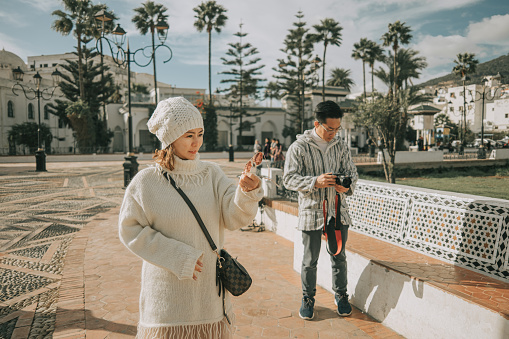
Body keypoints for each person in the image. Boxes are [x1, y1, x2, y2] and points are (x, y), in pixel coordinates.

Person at [118, 97, 263, 338]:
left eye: (200, 133)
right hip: (167, 297)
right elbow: (129, 230)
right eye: (188, 135)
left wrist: (246, 193)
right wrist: (177, 255)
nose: (197, 142)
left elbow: (235, 217)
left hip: (209, 297)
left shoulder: (212, 174)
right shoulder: (145, 182)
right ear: (169, 137)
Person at [283, 100, 358, 320]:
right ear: (317, 123)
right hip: (312, 211)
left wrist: (346, 185)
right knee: (309, 260)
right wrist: (315, 181)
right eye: (329, 129)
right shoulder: (299, 147)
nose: (334, 133)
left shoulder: (341, 146)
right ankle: (308, 299)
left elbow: (352, 174)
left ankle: (341, 296)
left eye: (337, 129)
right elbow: (288, 178)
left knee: (339, 257)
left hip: (337, 211)